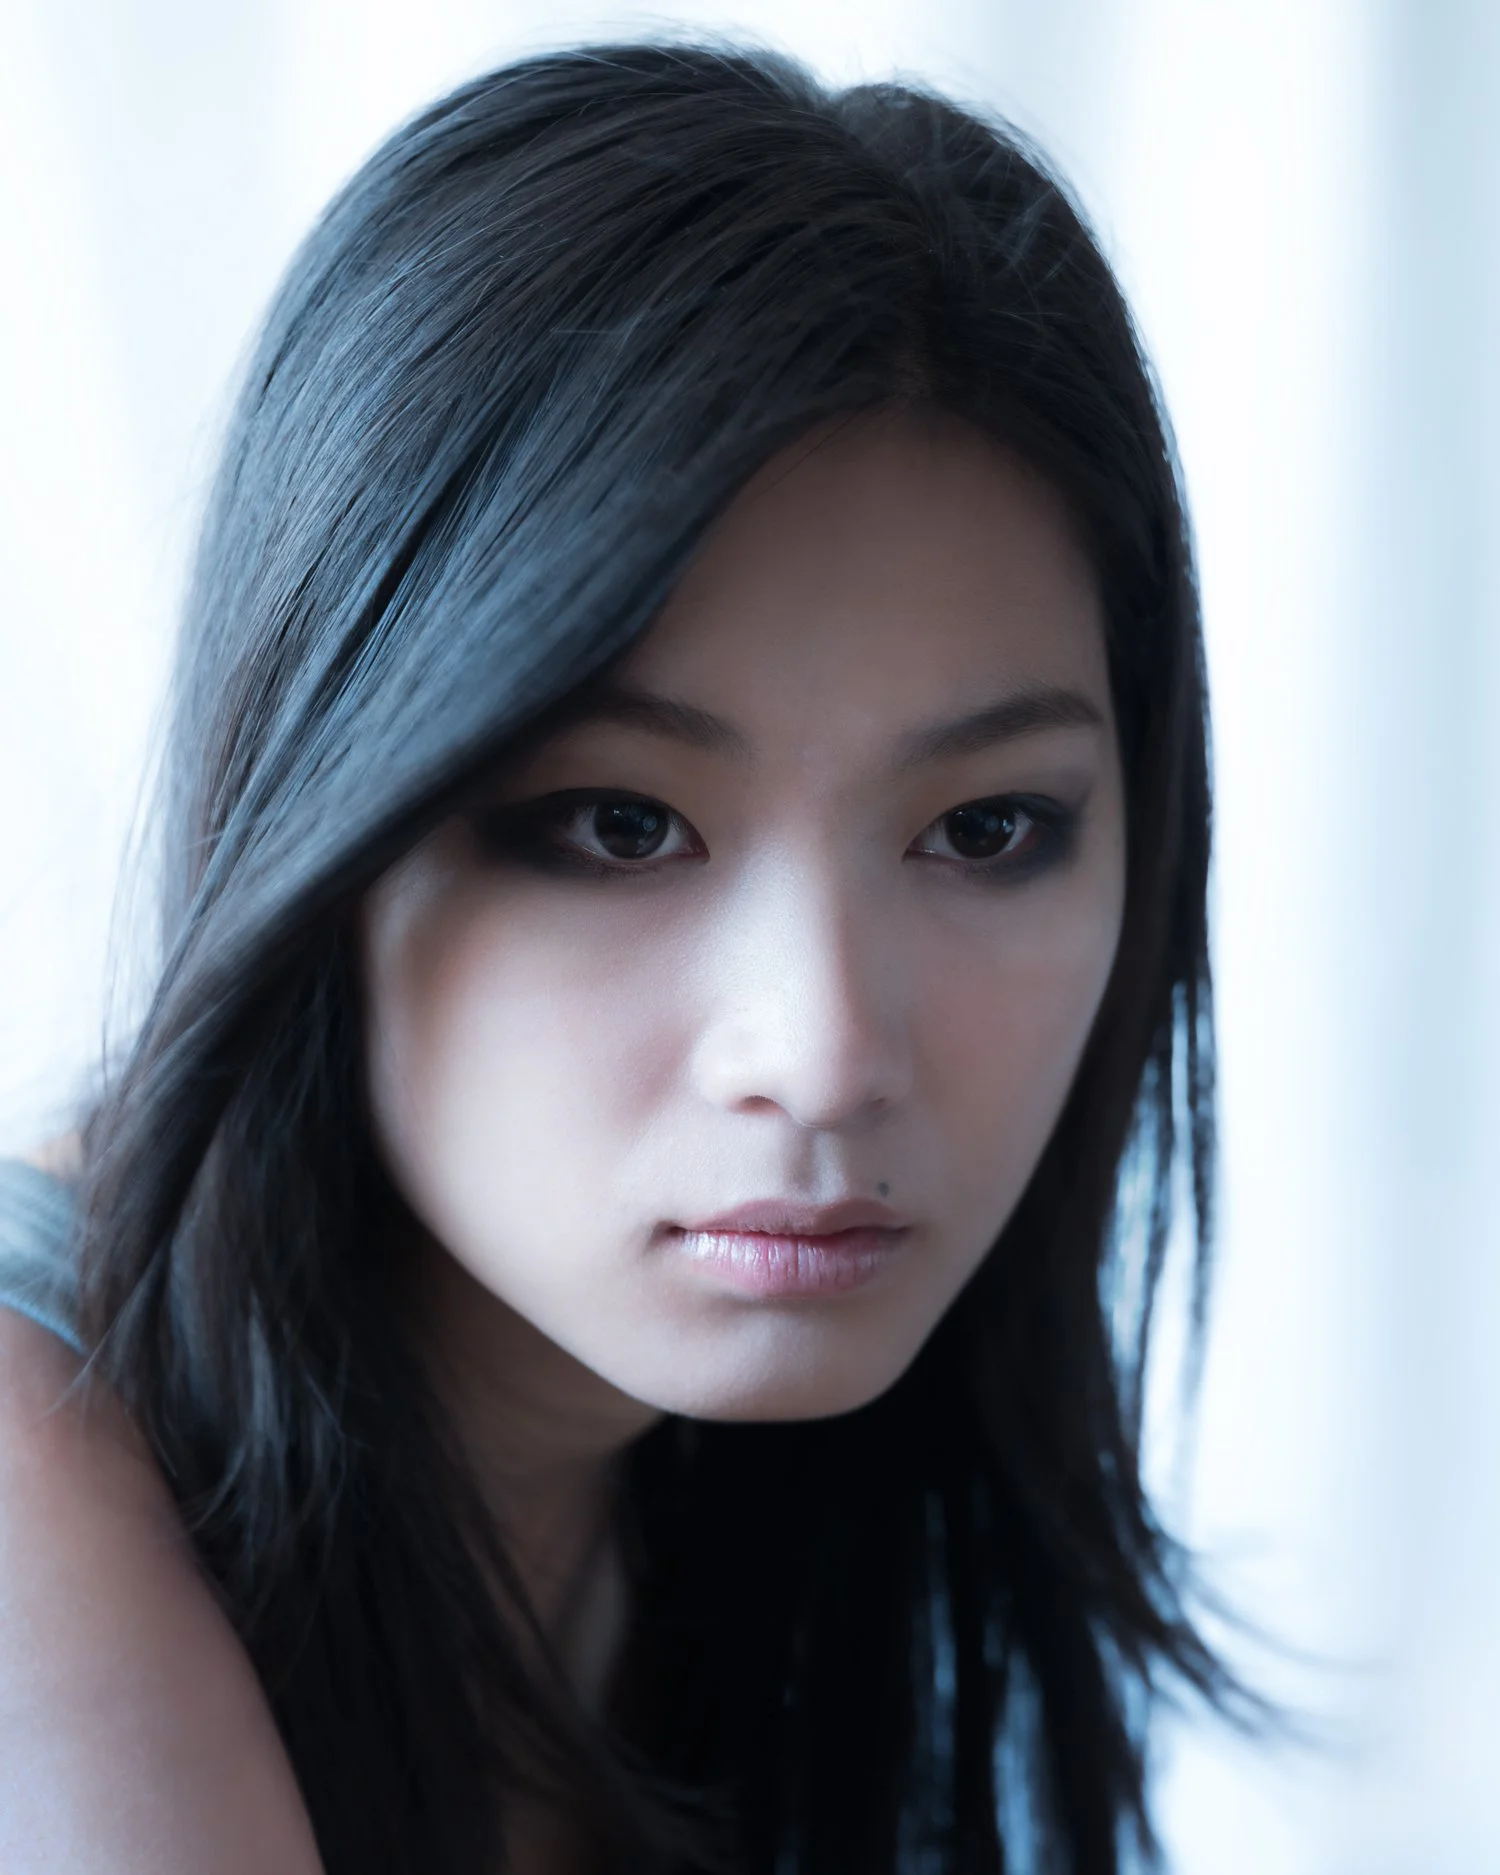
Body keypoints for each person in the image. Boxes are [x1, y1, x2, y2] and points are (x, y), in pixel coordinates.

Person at [0, 40, 1247, 1875]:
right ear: (319, 816)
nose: (824, 1053)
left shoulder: (776, 1502)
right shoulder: (38, 1499)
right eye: (617, 823)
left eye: (986, 829)